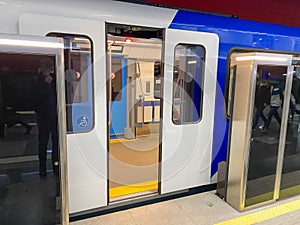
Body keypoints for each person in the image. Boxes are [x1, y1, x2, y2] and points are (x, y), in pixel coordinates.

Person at [35, 57, 59, 177]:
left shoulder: (55, 80)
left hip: (55, 115)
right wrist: (45, 84)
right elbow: (36, 97)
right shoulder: (38, 81)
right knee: (43, 143)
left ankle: (56, 166)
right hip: (44, 116)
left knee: (56, 143)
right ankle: (42, 168)